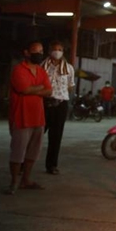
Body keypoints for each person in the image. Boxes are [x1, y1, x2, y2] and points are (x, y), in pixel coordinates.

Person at [8, 40, 52, 195]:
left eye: (41, 51)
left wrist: (34, 89)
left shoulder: (41, 71)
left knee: (33, 151)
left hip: (38, 118)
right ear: (26, 52)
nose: (39, 54)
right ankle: (14, 181)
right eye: (35, 51)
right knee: (18, 152)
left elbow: (49, 91)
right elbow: (24, 89)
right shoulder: (18, 70)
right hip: (21, 117)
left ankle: (26, 180)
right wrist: (39, 88)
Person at [41, 40, 75, 175]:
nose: (57, 51)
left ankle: (51, 165)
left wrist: (60, 92)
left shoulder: (69, 68)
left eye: (60, 49)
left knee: (56, 137)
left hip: (60, 104)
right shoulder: (42, 66)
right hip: (44, 103)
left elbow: (70, 85)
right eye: (55, 49)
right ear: (49, 51)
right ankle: (24, 164)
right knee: (36, 135)